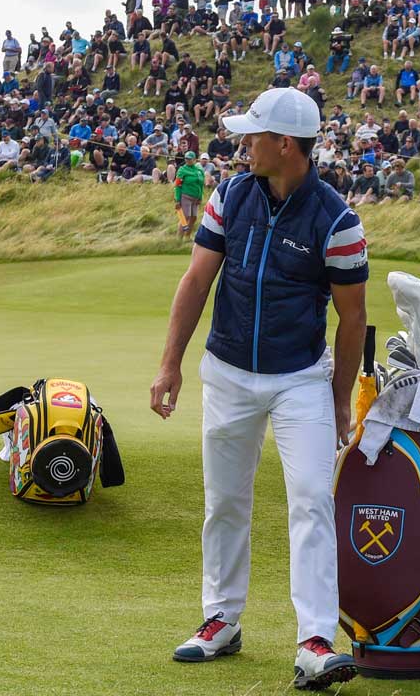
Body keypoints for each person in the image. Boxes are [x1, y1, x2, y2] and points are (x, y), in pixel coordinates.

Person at [150, 87, 365, 691]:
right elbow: (196, 282)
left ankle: (316, 639)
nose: (243, 145)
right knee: (224, 499)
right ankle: (221, 619)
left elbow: (352, 320)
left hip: (300, 379)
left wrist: (341, 398)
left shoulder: (337, 220)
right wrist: (170, 365)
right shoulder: (230, 196)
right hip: (227, 374)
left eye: (254, 137)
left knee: (311, 499)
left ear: (286, 145)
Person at [173, 150, 205, 239]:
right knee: (185, 217)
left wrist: (200, 197)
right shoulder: (182, 170)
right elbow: (177, 185)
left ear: (195, 159)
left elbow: (201, 184)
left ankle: (187, 237)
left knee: (193, 218)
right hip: (185, 196)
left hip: (196, 198)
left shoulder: (199, 169)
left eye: (190, 159)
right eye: (186, 159)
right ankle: (178, 240)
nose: (187, 160)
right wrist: (177, 199)